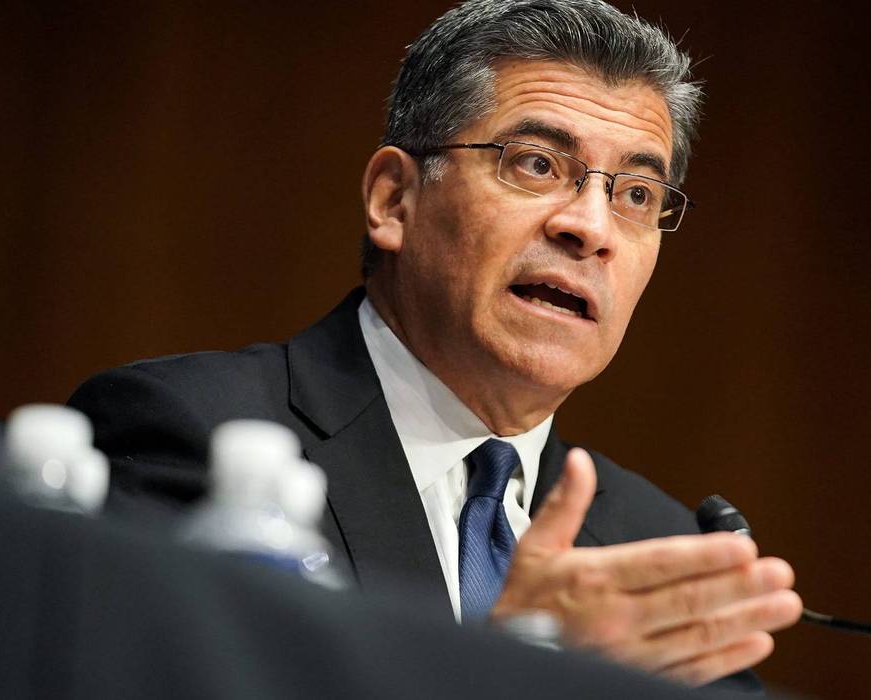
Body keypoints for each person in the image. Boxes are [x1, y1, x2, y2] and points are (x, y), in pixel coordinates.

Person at [69, 0, 802, 691]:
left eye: (636, 195)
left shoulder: (657, 553)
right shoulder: (189, 434)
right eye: (536, 163)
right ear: (394, 199)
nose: (590, 227)